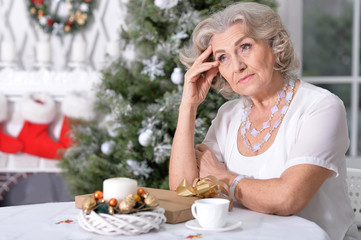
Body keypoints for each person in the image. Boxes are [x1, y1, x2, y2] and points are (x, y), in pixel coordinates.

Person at [168, 2, 359, 240]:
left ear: (274, 44)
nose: (237, 65)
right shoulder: (228, 115)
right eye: (223, 58)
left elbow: (287, 199)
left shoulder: (320, 107)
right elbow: (184, 191)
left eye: (245, 47)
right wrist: (188, 105)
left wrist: (223, 177)